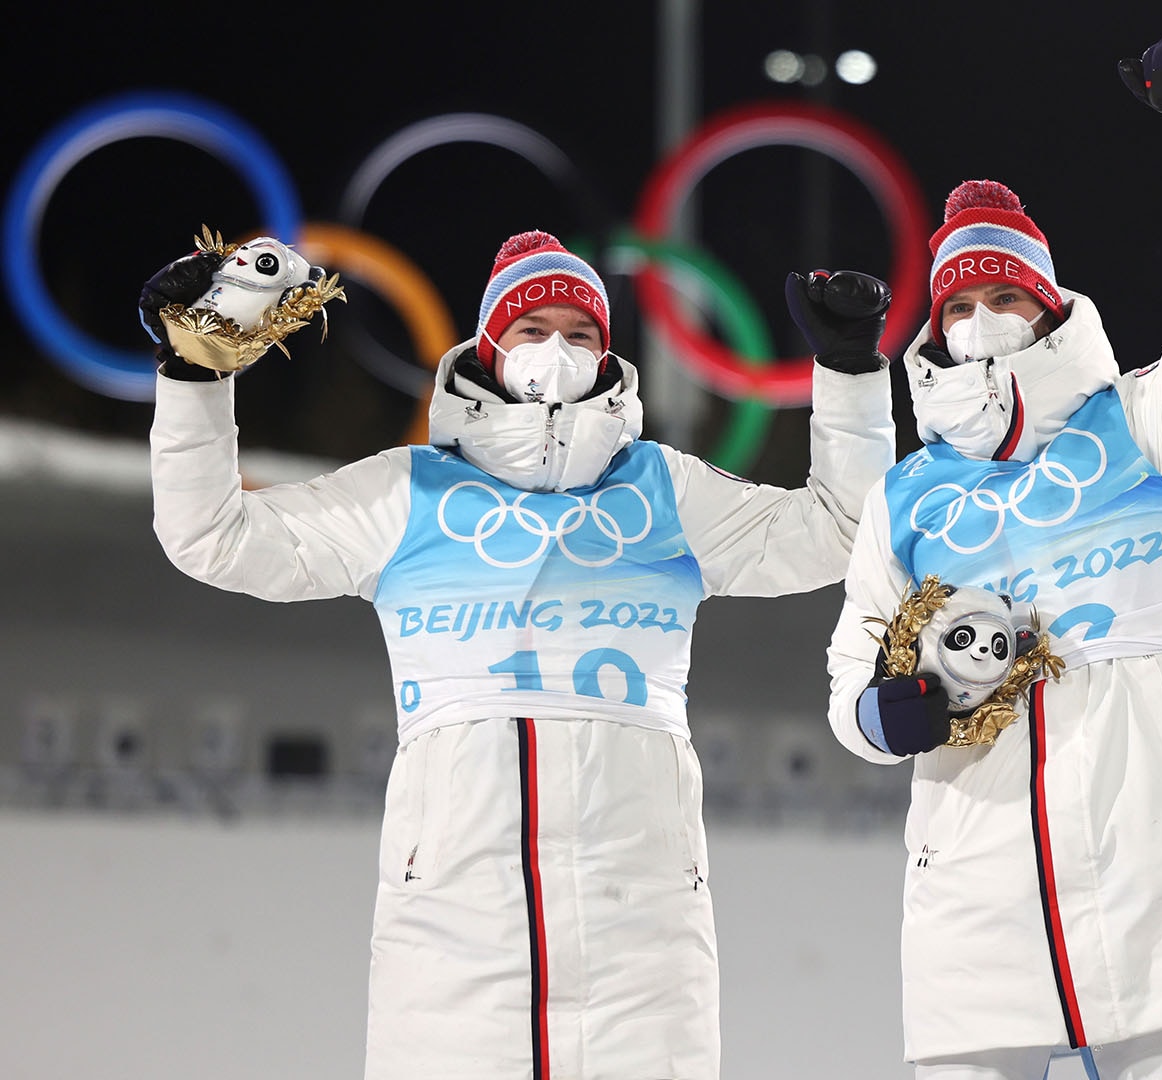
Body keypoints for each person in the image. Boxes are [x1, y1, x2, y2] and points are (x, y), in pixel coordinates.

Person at [142, 230, 897, 1080]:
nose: (558, 350)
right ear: (490, 347)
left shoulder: (664, 490)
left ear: (610, 354)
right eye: (532, 327)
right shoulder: (406, 491)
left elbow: (844, 530)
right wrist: (196, 377)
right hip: (453, 935)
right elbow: (212, 536)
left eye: (580, 334)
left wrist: (851, 377)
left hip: (642, 936)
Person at [821, 30, 1162, 1080]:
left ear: (1048, 304)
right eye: (959, 305)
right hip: (973, 907)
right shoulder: (909, 493)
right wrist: (879, 712)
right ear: (935, 331)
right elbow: (851, 671)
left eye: (1005, 298)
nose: (983, 321)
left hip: (1155, 884)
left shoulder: (1146, 430)